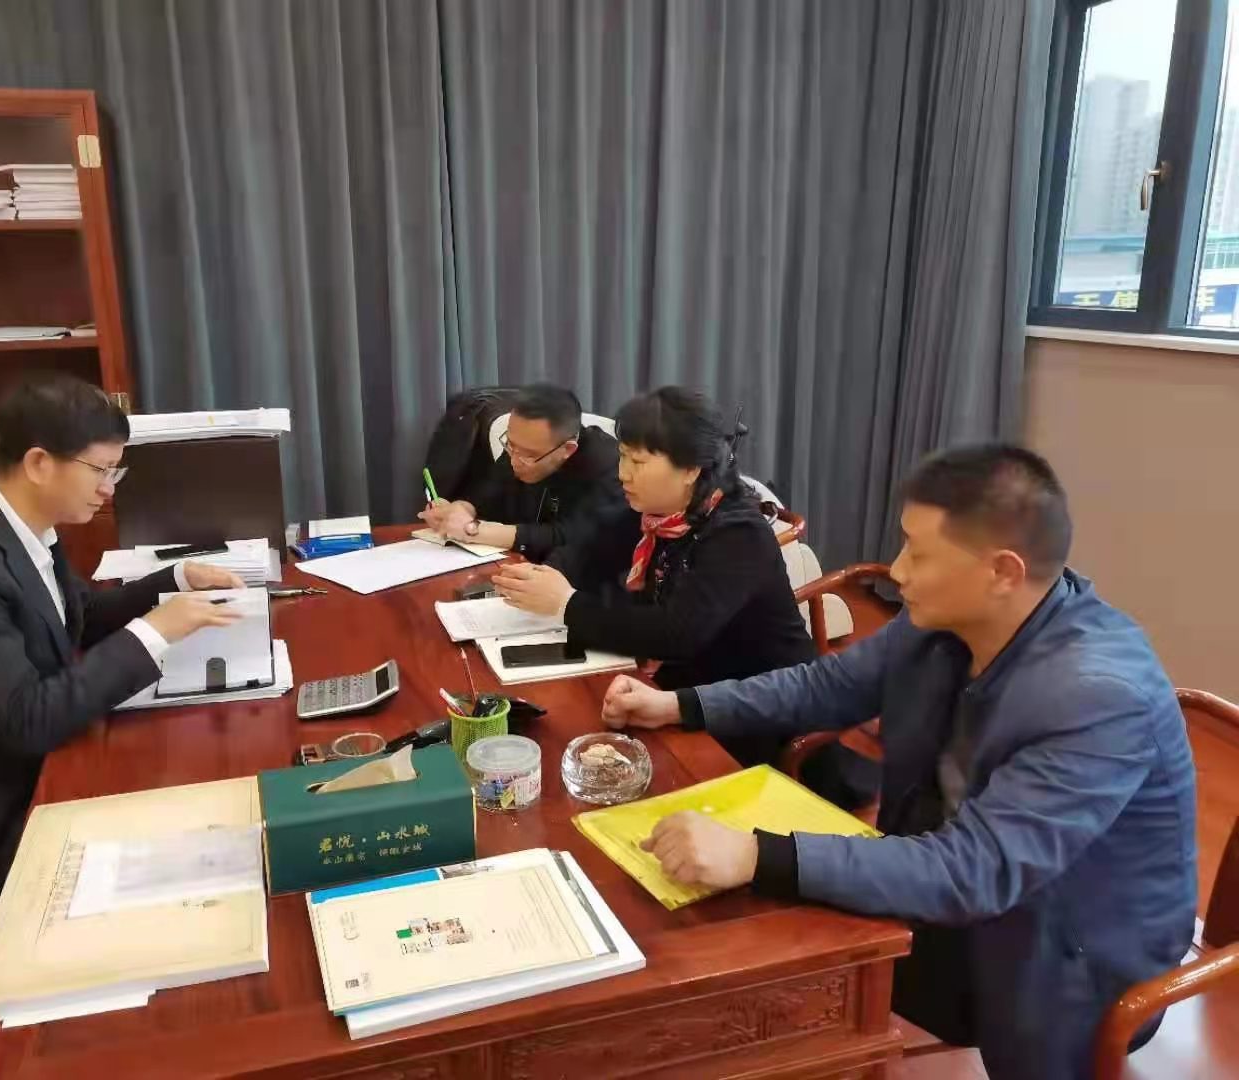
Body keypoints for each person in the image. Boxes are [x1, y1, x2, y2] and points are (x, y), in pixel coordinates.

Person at [599, 444, 1197, 1080]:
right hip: (952, 886)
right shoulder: (948, 618)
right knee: (745, 966)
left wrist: (754, 854)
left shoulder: (1098, 695)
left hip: (1067, 959)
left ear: (1002, 571)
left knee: (771, 979)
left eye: (919, 552)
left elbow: (976, 870)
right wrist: (680, 705)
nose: (899, 570)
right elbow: (825, 687)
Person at [0, 377, 246, 922]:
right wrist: (155, 632)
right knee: (180, 842)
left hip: (15, 773)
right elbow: (29, 720)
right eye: (100, 470)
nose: (109, 489)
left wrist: (174, 579)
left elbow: (77, 618)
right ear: (39, 463)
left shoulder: (16, 520)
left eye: (115, 472)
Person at [493, 387, 817, 766]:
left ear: (691, 469)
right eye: (622, 455)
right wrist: (547, 575)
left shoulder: (737, 534)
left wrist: (566, 604)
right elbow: (589, 546)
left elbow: (675, 634)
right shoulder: (655, 511)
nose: (623, 473)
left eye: (638, 461)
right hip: (674, 690)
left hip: (750, 712)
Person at [419, 383, 625, 563]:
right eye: (510, 444)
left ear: (567, 449)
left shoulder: (608, 465)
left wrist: (474, 530)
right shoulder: (518, 450)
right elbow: (487, 494)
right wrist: (461, 509)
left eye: (528, 455)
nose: (514, 461)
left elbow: (570, 536)